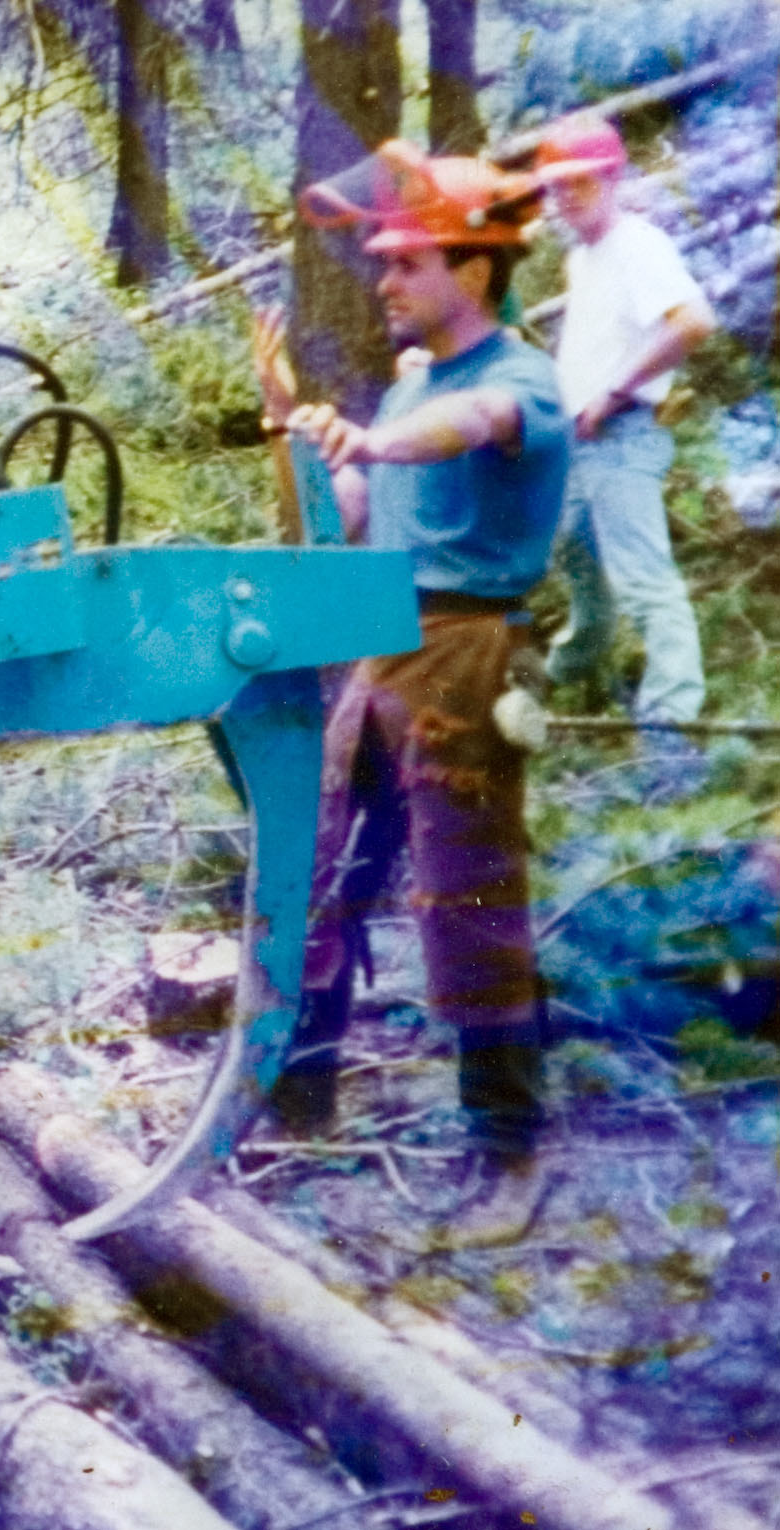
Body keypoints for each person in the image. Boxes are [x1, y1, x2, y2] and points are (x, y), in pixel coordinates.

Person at [261, 142, 572, 1248]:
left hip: (474, 655)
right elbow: (339, 513)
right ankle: (293, 1099)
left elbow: (467, 430)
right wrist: (303, 442)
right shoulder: (409, 384)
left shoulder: (514, 381)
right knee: (325, 872)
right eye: (381, 263)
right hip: (381, 650)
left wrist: (377, 439)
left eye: (408, 263)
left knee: (468, 898)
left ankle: (508, 1145)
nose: (384, 283)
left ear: (474, 273)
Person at [531, 114, 719, 798]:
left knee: (644, 582)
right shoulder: (583, 257)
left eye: (577, 184)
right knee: (580, 577)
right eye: (553, 188)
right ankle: (567, 679)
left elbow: (693, 322)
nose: (564, 199)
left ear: (610, 178)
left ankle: (671, 732)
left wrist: (613, 392)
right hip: (576, 447)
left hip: (622, 435)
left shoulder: (638, 244)